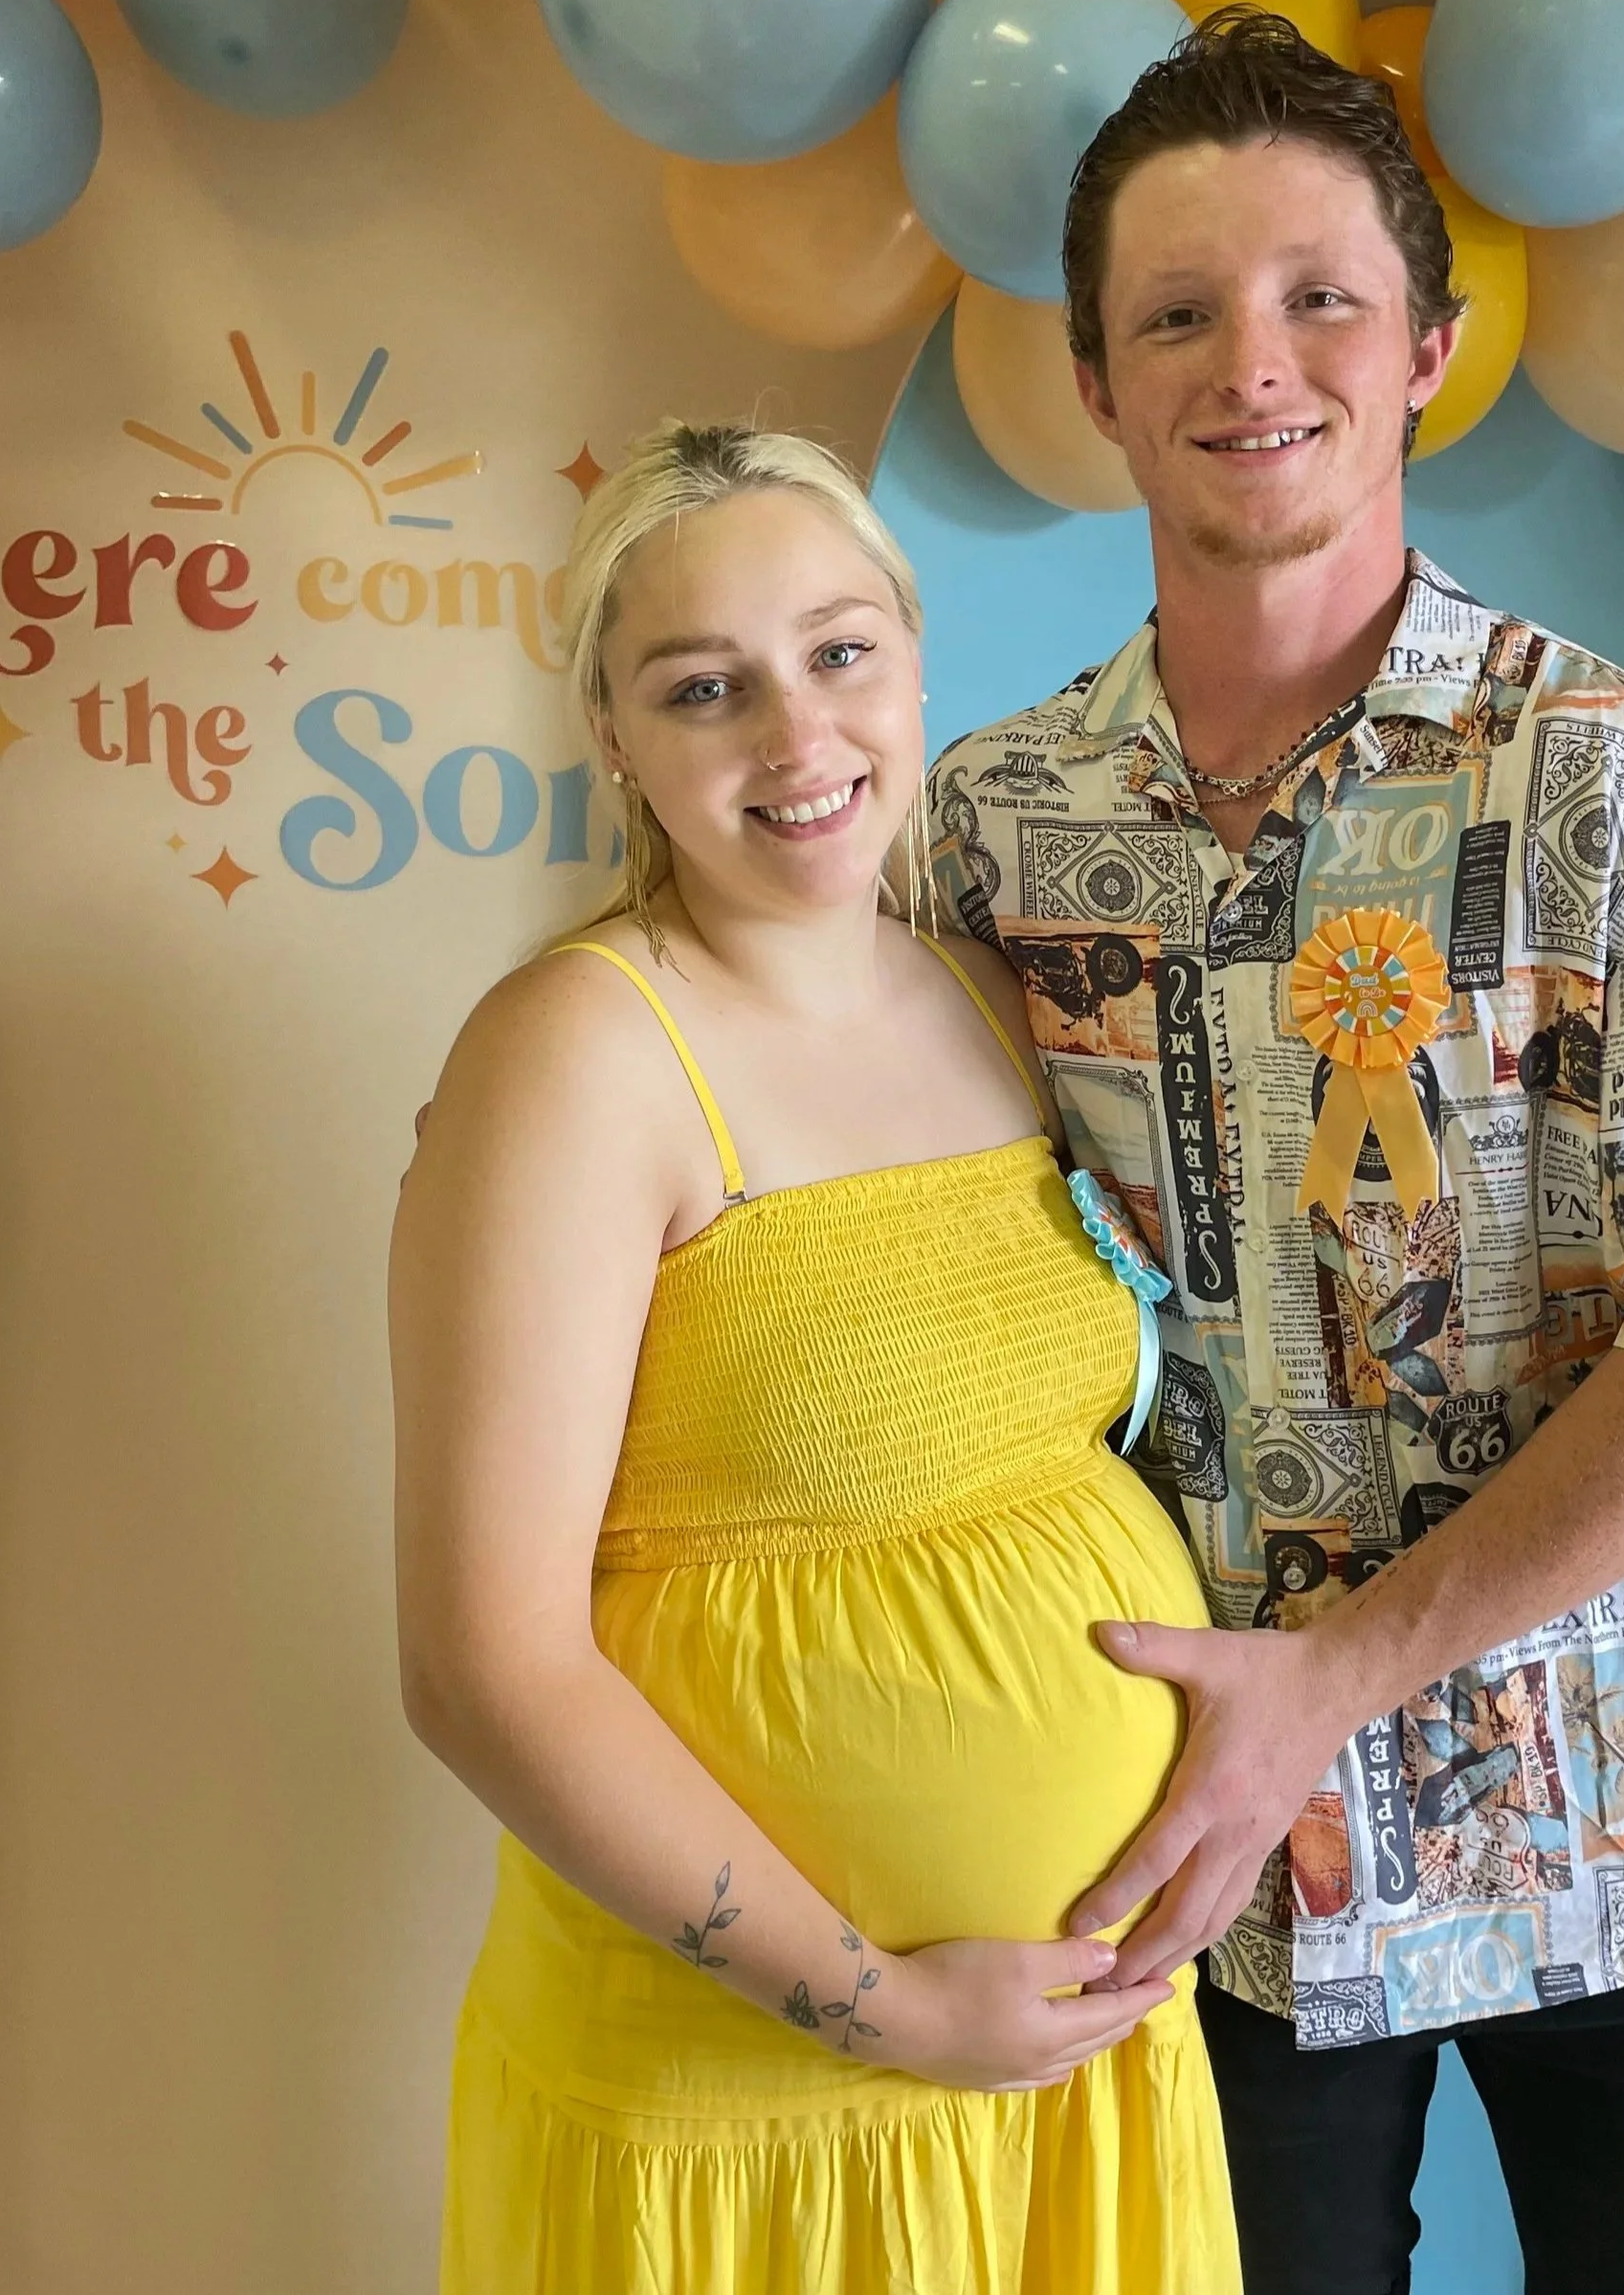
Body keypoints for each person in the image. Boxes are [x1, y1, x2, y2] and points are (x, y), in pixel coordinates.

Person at [925, 10, 1624, 2295]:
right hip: (1196, 1853)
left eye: (1316, 297)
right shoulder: (983, 830)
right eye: (1175, 311)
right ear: (1094, 382)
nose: (1249, 361)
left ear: (1427, 349)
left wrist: (1336, 1675)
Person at [390, 423, 1239, 2292]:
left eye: (837, 652)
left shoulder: (988, 991)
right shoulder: (578, 1056)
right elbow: (480, 1666)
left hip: (1058, 2079)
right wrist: (877, 2005)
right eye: (705, 686)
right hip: (764, 2106)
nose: (795, 735)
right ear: (613, 735)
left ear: (915, 657)